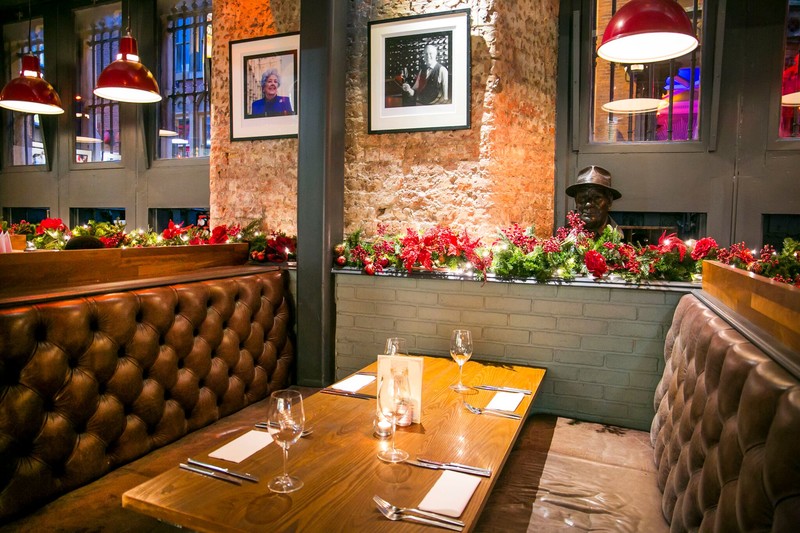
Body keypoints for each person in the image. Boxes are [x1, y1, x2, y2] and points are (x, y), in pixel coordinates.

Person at [565, 165, 622, 235]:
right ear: (576, 202)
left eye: (596, 198)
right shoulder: (565, 235)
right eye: (583, 198)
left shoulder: (623, 238)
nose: (588, 204)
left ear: (609, 201)